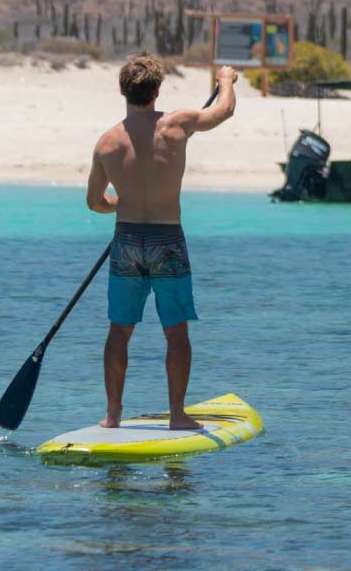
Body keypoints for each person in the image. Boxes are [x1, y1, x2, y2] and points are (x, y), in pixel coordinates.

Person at [87, 55, 238, 430]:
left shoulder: (107, 143)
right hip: (167, 240)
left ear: (123, 91)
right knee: (176, 332)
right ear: (157, 91)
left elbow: (95, 202)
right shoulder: (177, 123)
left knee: (119, 331)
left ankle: (112, 415)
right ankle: (176, 415)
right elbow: (224, 111)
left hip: (126, 240)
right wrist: (226, 80)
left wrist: (124, 202)